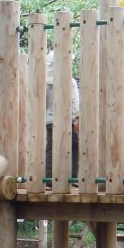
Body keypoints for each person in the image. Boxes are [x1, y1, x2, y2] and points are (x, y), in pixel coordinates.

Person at [44, 50, 80, 181]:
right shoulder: (70, 82)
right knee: (73, 147)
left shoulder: (46, 83)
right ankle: (72, 177)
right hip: (67, 121)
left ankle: (49, 178)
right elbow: (75, 103)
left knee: (51, 149)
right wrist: (76, 120)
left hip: (50, 121)